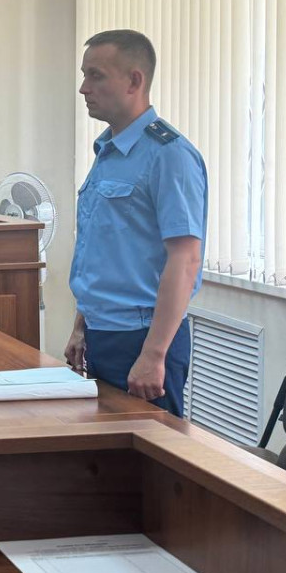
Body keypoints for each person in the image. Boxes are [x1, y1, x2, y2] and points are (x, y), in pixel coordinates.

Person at [65, 30, 208, 417]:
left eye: (96, 76)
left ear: (134, 81)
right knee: (106, 451)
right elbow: (103, 250)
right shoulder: (108, 151)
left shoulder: (169, 155)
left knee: (150, 452)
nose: (84, 88)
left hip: (142, 337)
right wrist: (81, 325)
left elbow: (186, 259)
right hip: (103, 332)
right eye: (84, 75)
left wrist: (154, 354)